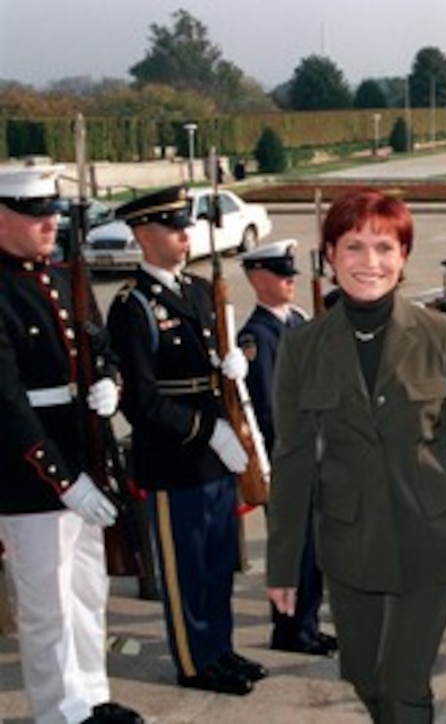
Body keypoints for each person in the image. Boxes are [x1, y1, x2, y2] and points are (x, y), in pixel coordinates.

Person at [265, 188, 446, 723]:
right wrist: (282, 565)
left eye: (384, 247)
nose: (369, 263)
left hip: (433, 537)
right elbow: (293, 459)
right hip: (351, 542)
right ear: (329, 254)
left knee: (403, 684)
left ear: (403, 258)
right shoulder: (303, 346)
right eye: (353, 247)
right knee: (364, 679)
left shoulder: (444, 336)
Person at [106, 186, 267, 697]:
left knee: (219, 559)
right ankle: (194, 662)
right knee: (186, 567)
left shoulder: (197, 290)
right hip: (175, 457)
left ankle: (219, 647)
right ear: (143, 235)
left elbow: (218, 359)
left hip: (217, 454)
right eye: (173, 227)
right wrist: (209, 430)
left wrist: (239, 356)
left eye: (185, 225)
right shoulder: (133, 307)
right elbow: (143, 400)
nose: (185, 234)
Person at [0, 166, 143, 723]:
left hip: (84, 451)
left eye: (53, 213)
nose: (50, 223)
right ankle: (60, 711)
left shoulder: (63, 278)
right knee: (47, 605)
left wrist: (110, 379)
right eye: (36, 214)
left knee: (87, 589)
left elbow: (99, 344)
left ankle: (91, 696)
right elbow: (6, 404)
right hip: (29, 475)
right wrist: (63, 480)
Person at [236, 240, 338, 658]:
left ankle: (308, 623)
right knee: (294, 551)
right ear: (259, 280)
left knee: (313, 549)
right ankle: (290, 630)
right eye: (281, 274)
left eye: (292, 274)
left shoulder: (297, 320)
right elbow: (267, 404)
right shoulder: (257, 335)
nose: (290, 281)